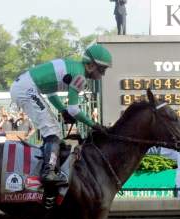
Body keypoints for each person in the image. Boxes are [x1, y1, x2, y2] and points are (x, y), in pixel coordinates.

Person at [9, 43, 112, 185]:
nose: (103, 74)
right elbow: (74, 109)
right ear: (91, 65)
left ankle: (48, 166)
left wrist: (62, 110)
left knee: (54, 129)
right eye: (102, 69)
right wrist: (94, 125)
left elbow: (51, 94)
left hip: (25, 87)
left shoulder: (75, 67)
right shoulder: (80, 75)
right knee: (52, 130)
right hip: (26, 89)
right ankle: (48, 173)